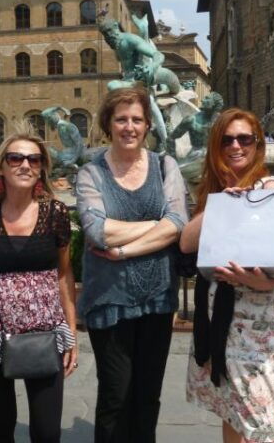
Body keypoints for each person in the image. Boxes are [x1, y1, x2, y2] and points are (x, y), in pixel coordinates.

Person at [75, 86, 188, 443]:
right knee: (115, 394)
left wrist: (124, 250)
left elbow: (180, 224)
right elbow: (96, 230)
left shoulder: (165, 165)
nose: (129, 126)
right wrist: (158, 225)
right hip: (109, 299)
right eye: (121, 119)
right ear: (108, 124)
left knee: (147, 394)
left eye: (137, 119)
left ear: (147, 125)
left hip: (157, 296)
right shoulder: (90, 174)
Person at [180, 108, 274, 443]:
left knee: (260, 421)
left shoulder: (270, 189)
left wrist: (260, 281)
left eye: (244, 139)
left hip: (256, 318)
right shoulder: (214, 190)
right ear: (216, 145)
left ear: (258, 145)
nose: (235, 146)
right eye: (227, 139)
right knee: (231, 409)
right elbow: (186, 243)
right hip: (216, 317)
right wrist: (216, 205)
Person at [0, 126, 77, 443]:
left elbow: (64, 273)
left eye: (34, 159)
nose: (25, 165)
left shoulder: (55, 213)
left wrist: (70, 332)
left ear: (42, 167)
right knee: (0, 427)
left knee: (46, 432)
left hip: (45, 330)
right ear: (1, 165)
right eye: (15, 158)